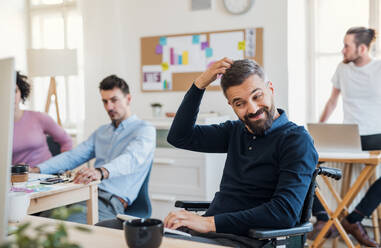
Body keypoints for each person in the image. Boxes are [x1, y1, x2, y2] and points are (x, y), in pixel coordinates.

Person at [161, 58, 318, 247]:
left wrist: (208, 223)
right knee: (127, 232)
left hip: (248, 239)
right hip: (209, 235)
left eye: (257, 96)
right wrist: (200, 83)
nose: (252, 109)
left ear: (271, 89)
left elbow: (284, 213)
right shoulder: (235, 131)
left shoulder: (296, 140)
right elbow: (179, 137)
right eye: (239, 103)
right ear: (231, 105)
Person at [30, 75, 155, 224]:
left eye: (114, 100)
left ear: (128, 99)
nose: (109, 107)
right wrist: (37, 169)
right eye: (105, 101)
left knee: (60, 226)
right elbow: (73, 156)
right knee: (36, 218)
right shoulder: (101, 132)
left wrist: (100, 172)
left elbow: (131, 159)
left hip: (109, 201)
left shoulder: (144, 130)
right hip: (82, 192)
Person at [309, 27, 381, 247]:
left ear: (362, 48)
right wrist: (317, 131)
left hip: (377, 135)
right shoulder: (342, 68)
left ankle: (354, 219)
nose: (343, 50)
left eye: (346, 45)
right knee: (301, 164)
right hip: (349, 137)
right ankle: (323, 219)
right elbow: (332, 102)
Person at [12, 72, 72, 167]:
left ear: (21, 92)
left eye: (15, 91)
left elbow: (66, 141)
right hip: (17, 180)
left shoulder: (39, 118)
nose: (12, 97)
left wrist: (65, 166)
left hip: (48, 176)